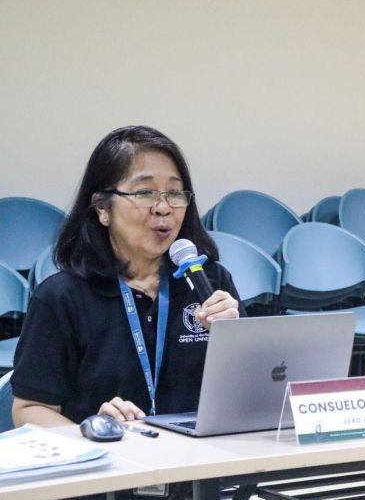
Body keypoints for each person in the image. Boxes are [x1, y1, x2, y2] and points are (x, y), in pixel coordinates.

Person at [12, 125, 244, 428]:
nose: (163, 208)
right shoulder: (61, 298)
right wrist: (93, 433)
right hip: (111, 466)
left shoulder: (210, 284)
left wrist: (234, 341)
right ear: (102, 208)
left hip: (197, 464)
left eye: (174, 193)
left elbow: (254, 390)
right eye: (145, 193)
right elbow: (28, 409)